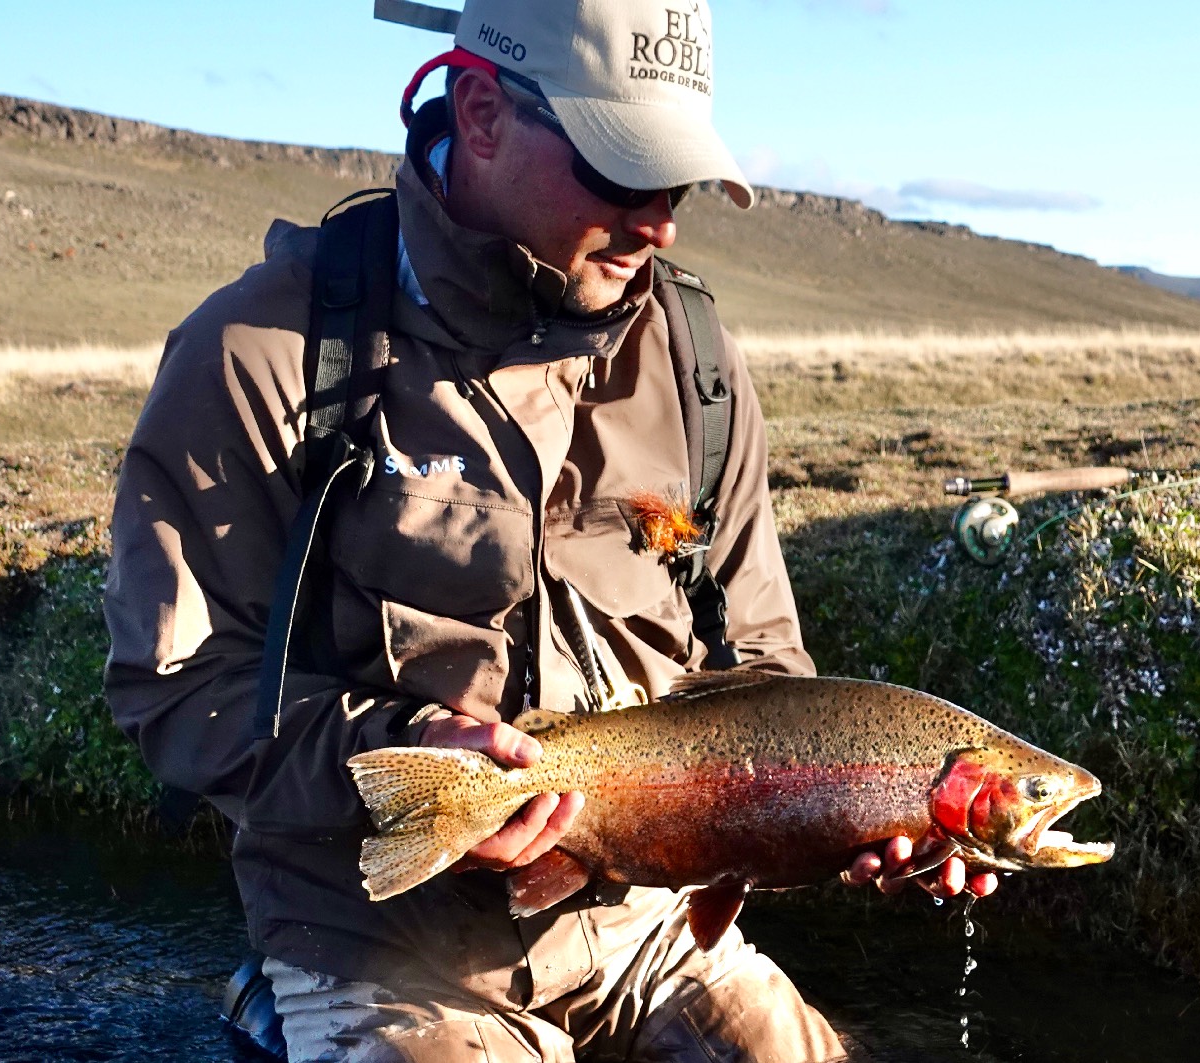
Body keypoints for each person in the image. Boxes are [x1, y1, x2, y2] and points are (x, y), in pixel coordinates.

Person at [102, 1, 991, 1059]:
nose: (659, 224)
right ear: (480, 111)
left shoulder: (696, 362)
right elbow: (177, 690)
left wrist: (841, 818)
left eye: (678, 185)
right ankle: (282, 1004)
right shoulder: (264, 352)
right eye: (622, 174)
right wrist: (404, 758)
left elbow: (762, 666)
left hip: (654, 931)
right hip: (384, 943)